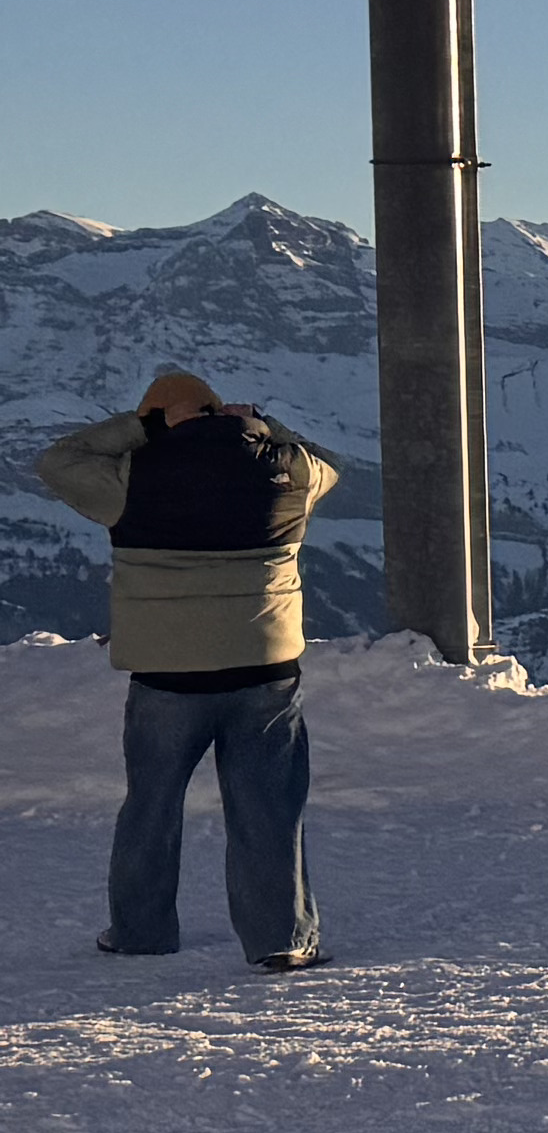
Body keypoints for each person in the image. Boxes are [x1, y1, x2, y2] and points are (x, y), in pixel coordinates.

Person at [32, 368, 339, 970]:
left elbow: (57, 461)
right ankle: (281, 939)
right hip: (264, 667)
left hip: (166, 675)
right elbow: (328, 461)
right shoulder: (288, 472)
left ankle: (140, 932)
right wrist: (261, 425)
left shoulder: (128, 478)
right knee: (268, 808)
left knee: (151, 804)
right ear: (220, 410)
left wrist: (142, 428)